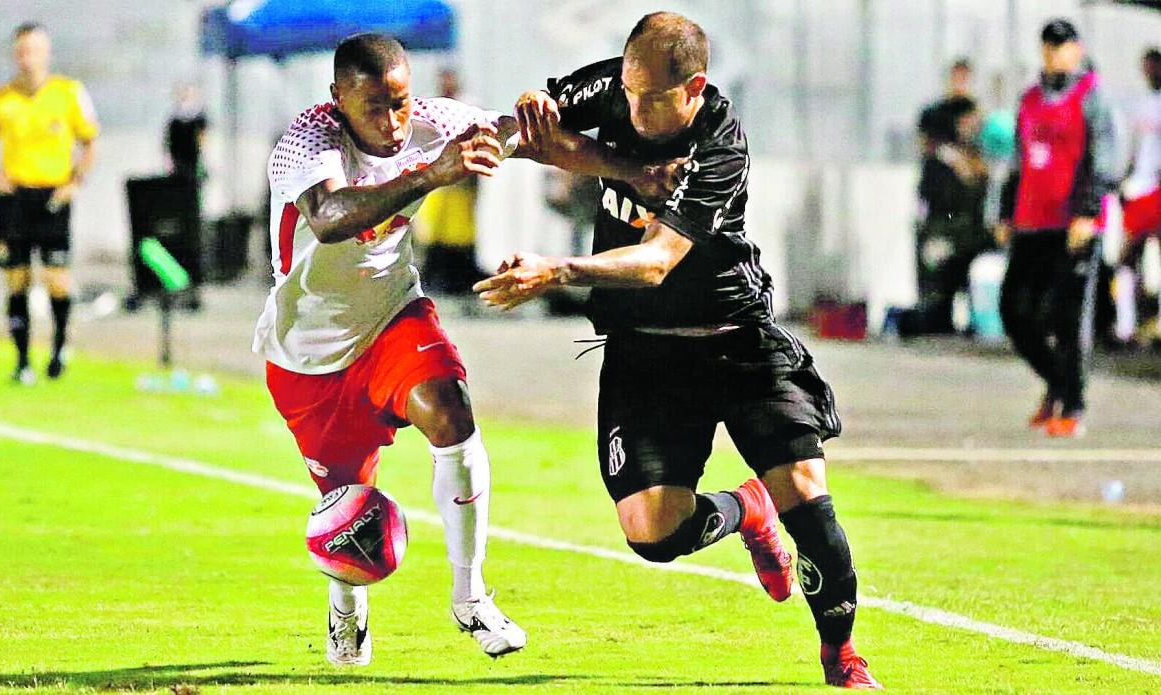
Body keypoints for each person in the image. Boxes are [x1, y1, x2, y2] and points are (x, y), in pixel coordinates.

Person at [477, 12, 880, 689]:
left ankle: (840, 656)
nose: (630, 107)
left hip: (736, 342)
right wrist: (520, 120)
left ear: (692, 87)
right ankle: (745, 509)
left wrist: (560, 270)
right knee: (653, 534)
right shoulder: (618, 87)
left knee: (810, 503)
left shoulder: (720, 142)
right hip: (644, 355)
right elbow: (523, 133)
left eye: (649, 98)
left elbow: (659, 259)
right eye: (627, 90)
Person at [254, 33, 525, 666]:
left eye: (400, 102)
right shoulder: (306, 141)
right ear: (337, 100)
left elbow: (524, 134)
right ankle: (346, 611)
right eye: (375, 106)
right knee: (350, 510)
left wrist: (628, 167)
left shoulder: (436, 121)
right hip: (309, 357)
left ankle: (470, 596)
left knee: (452, 413)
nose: (393, 120)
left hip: (392, 316)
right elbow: (328, 216)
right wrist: (432, 174)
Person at [995, 19, 1118, 438]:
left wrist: (1087, 212)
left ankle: (1073, 406)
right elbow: (1017, 161)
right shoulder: (1029, 99)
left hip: (1073, 226)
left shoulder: (1092, 98)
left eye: (1062, 45)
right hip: (1032, 222)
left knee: (1068, 317)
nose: (1054, 53)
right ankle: (1057, 383)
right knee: (1014, 310)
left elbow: (1103, 161)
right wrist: (1005, 212)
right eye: (1048, 45)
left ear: (1076, 50)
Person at [0, 22, 98, 383]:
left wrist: (76, 182)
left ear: (47, 53)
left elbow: (90, 141)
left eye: (35, 51)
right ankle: (22, 361)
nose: (28, 59)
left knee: (57, 279)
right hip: (15, 197)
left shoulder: (67, 93)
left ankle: (58, 349)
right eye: (22, 52)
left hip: (53, 196)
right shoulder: (1, 100)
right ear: (16, 55)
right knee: (17, 279)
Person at [912, 96, 992, 334]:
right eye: (970, 120)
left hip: (968, 234)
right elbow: (938, 200)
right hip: (949, 234)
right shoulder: (941, 162)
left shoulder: (974, 157)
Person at [413, 68, 483, 297]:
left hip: (460, 181)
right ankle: (434, 277)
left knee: (460, 232)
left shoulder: (467, 110)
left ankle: (459, 278)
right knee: (434, 232)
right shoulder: (429, 110)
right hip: (437, 181)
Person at [1115, 48, 1161, 347]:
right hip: (1139, 189)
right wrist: (1124, 180)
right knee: (1126, 258)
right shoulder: (1141, 104)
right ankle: (1126, 325)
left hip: (1156, 188)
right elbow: (1134, 149)